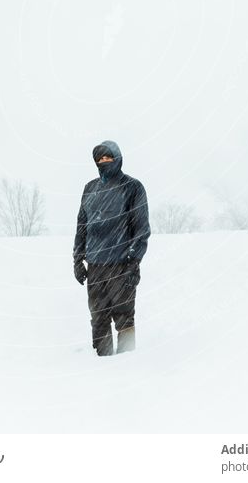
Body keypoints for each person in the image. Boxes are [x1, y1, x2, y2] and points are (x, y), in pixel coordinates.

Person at [72, 139, 150, 356]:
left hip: (122, 265)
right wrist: (78, 260)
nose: (103, 161)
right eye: (99, 158)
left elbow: (141, 229)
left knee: (124, 318)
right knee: (98, 319)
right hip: (96, 266)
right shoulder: (90, 189)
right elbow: (82, 227)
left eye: (108, 157)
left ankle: (127, 365)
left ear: (118, 158)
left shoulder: (132, 187)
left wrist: (134, 263)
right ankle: (102, 366)